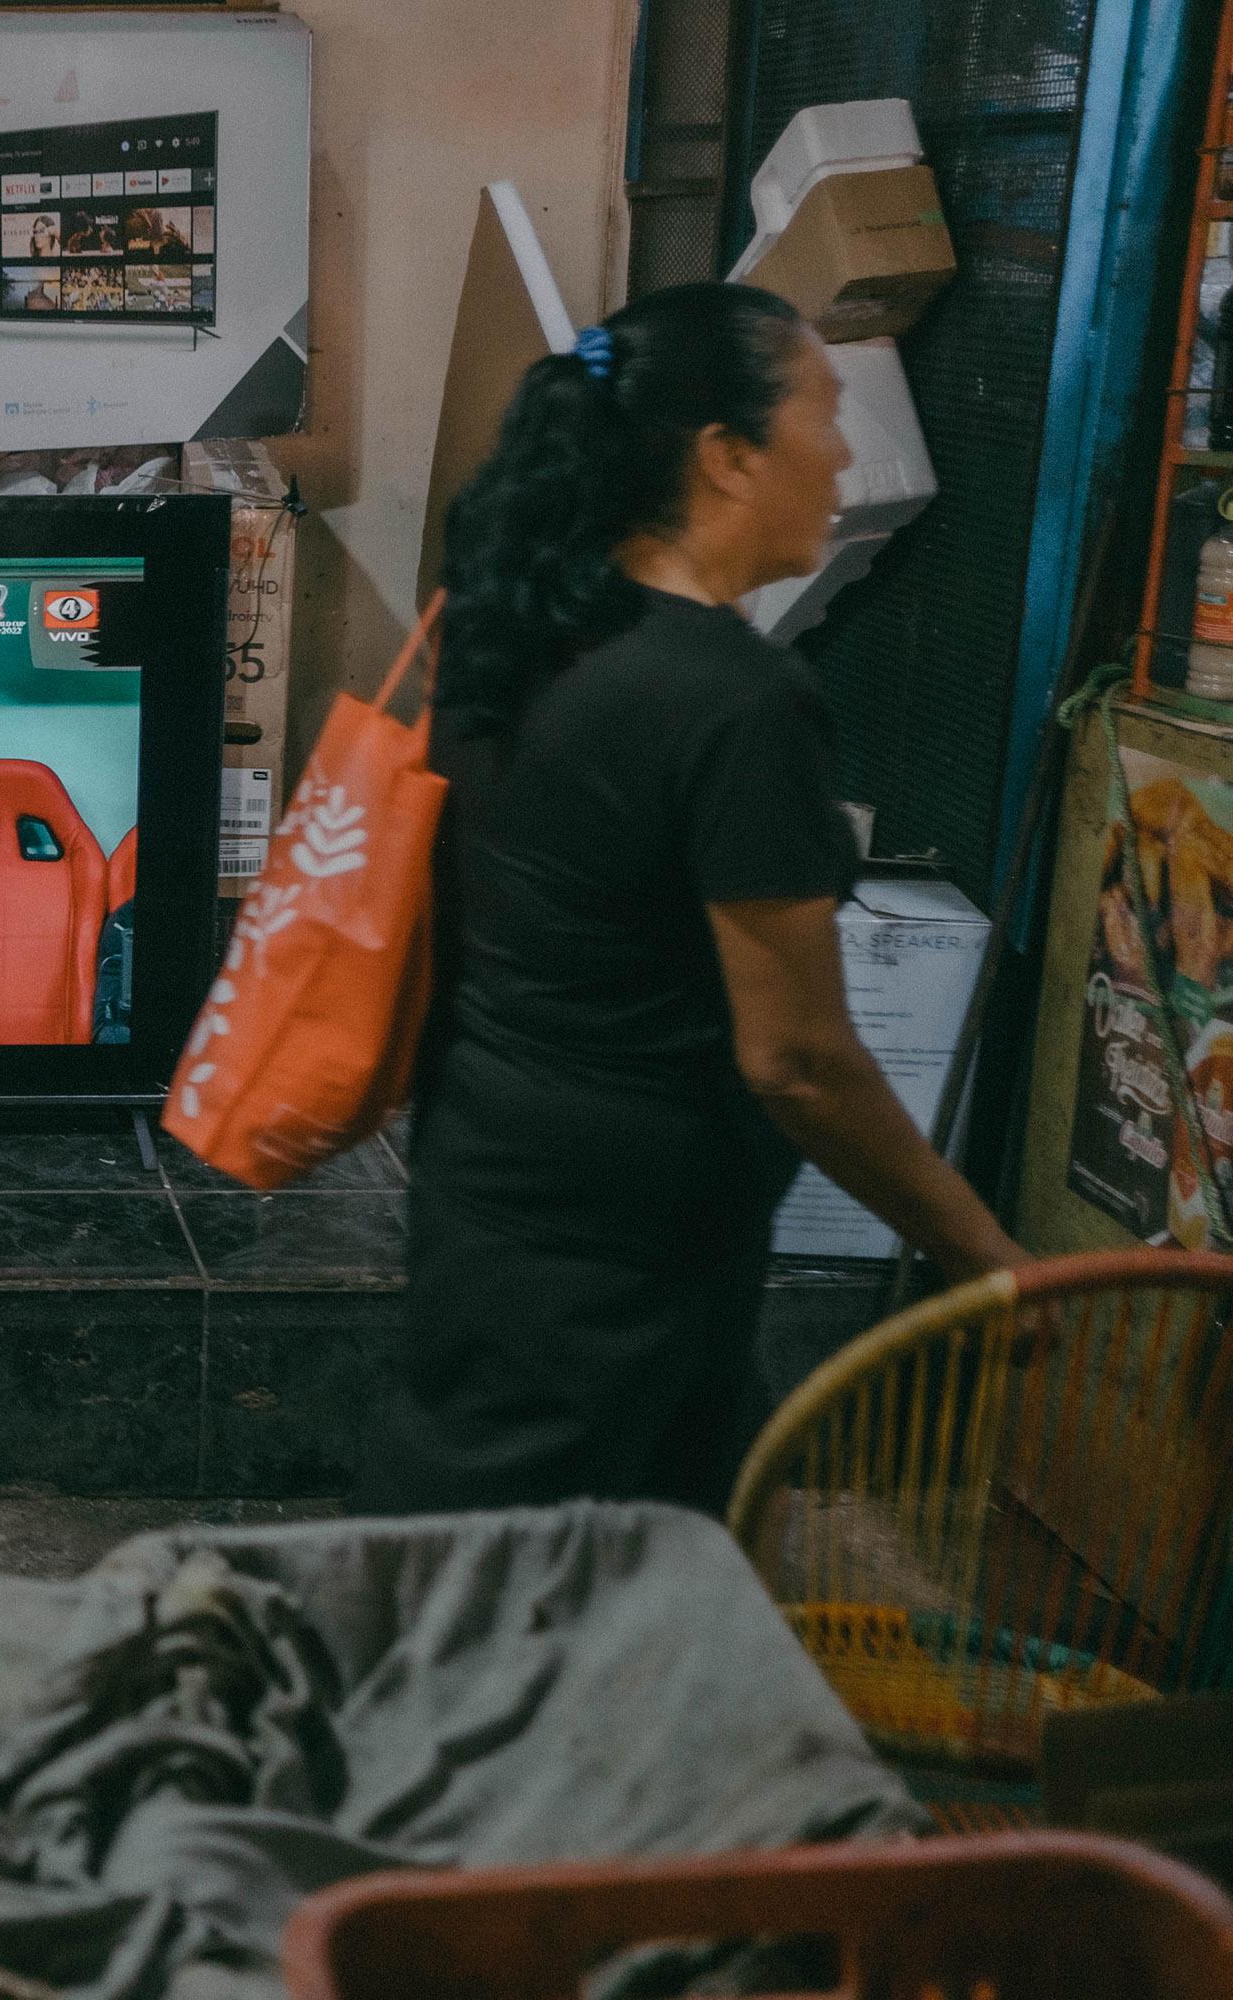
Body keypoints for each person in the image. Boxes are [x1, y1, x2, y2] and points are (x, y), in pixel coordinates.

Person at [356, 282, 1028, 1519]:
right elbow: (800, 1059)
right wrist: (982, 1250)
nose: (844, 455)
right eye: (826, 416)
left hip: (491, 1174)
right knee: (543, 1579)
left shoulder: (512, 637)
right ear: (727, 456)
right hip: (629, 1244)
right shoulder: (735, 700)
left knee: (492, 1540)